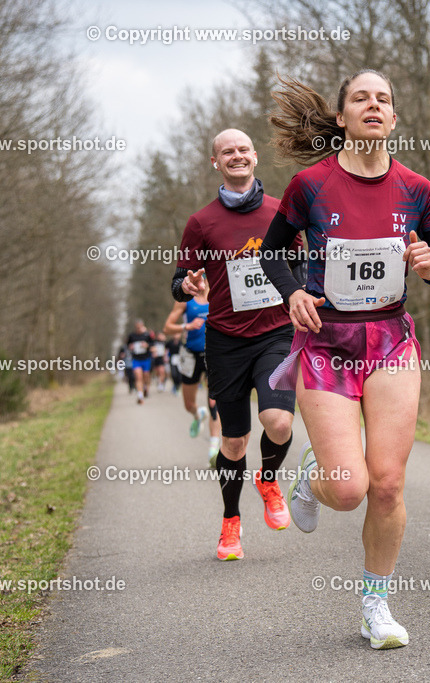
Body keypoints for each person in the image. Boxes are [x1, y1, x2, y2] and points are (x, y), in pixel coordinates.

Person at [260, 70, 430, 649]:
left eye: (383, 99)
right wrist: (293, 291)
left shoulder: (417, 191)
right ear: (343, 117)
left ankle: (376, 606)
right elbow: (274, 252)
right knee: (348, 489)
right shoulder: (310, 185)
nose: (373, 106)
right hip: (325, 343)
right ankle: (312, 477)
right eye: (361, 98)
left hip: (391, 343)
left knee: (387, 484)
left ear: (393, 119)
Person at [170, 129, 304, 562]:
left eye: (244, 149)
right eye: (227, 151)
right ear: (216, 162)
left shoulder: (281, 211)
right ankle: (231, 523)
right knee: (233, 443)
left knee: (279, 422)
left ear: (255, 157)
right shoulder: (201, 222)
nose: (237, 156)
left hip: (276, 333)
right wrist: (187, 284)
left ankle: (268, 479)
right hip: (225, 340)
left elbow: (301, 263)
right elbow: (178, 282)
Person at [164, 280, 221, 461]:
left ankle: (214, 449)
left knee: (214, 402)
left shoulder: (217, 293)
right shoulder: (185, 299)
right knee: (188, 404)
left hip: (213, 353)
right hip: (190, 355)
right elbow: (167, 327)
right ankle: (198, 414)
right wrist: (186, 327)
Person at [125, 320, 155, 404]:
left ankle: (146, 388)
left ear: (142, 325)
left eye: (139, 327)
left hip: (146, 359)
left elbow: (153, 345)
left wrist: (147, 345)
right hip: (136, 359)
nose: (138, 328)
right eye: (137, 327)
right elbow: (127, 345)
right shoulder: (132, 335)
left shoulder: (147, 335)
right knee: (138, 377)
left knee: (146, 376)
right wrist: (130, 347)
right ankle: (140, 395)